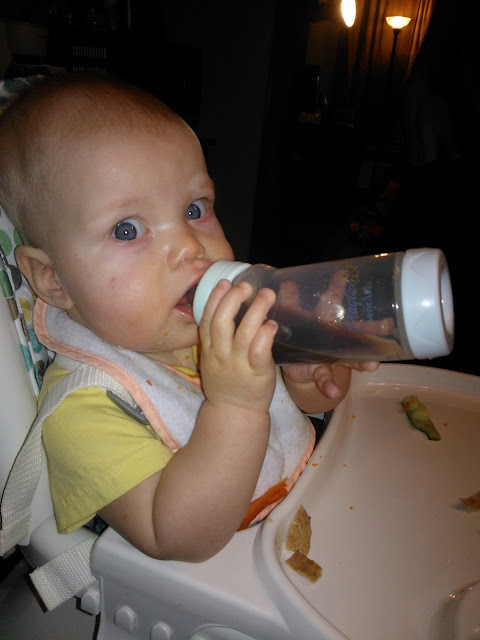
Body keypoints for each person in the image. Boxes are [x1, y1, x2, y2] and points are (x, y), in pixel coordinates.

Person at [0, 74, 377, 562]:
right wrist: (236, 407)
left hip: (318, 524)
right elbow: (177, 537)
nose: (190, 246)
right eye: (127, 229)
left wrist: (309, 369)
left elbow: (309, 410)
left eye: (195, 209)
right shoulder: (85, 408)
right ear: (53, 280)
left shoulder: (220, 320)